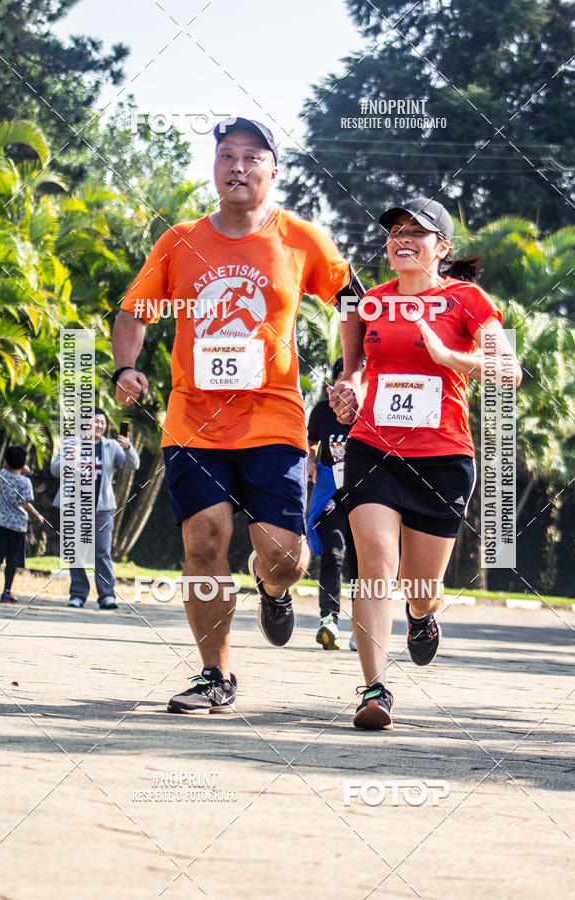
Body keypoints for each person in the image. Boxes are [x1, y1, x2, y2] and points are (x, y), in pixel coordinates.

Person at [111, 117, 363, 714]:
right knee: (203, 541)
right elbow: (133, 312)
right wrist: (126, 368)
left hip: (273, 419)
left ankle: (272, 589)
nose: (239, 166)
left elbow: (352, 299)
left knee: (282, 554)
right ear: (216, 167)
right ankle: (213, 674)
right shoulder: (180, 241)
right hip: (193, 419)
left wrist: (350, 370)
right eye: (227, 155)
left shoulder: (301, 239)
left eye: (253, 157)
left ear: (274, 171)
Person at [331, 197, 522, 730]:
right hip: (374, 449)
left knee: (422, 586)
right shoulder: (369, 305)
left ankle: (421, 615)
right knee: (374, 564)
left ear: (442, 247)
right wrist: (348, 390)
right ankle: (374, 689)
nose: (403, 238)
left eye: (418, 231)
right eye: (395, 230)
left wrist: (450, 358)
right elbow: (356, 372)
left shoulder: (468, 299)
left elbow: (509, 372)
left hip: (443, 457)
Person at [51, 408, 139, 609]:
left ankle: (107, 595)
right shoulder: (71, 444)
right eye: (95, 421)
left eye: (102, 422)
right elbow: (55, 471)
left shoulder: (111, 446)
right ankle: (78, 595)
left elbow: (132, 465)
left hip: (102, 509)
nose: (99, 426)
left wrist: (128, 448)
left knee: (102, 551)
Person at [306, 357, 357, 650]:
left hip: (365, 493)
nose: (347, 384)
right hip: (331, 492)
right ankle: (329, 619)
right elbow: (309, 441)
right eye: (341, 377)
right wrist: (311, 462)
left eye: (354, 377)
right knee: (334, 554)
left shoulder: (371, 410)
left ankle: (362, 628)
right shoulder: (322, 412)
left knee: (362, 562)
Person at [0, 445, 44, 603]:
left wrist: (19, 466)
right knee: (12, 559)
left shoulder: (3, 474)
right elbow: (26, 504)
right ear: (24, 462)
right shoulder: (25, 482)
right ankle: (7, 592)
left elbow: (14, 467)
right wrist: (37, 516)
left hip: (1, 523)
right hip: (18, 527)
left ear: (5, 461)